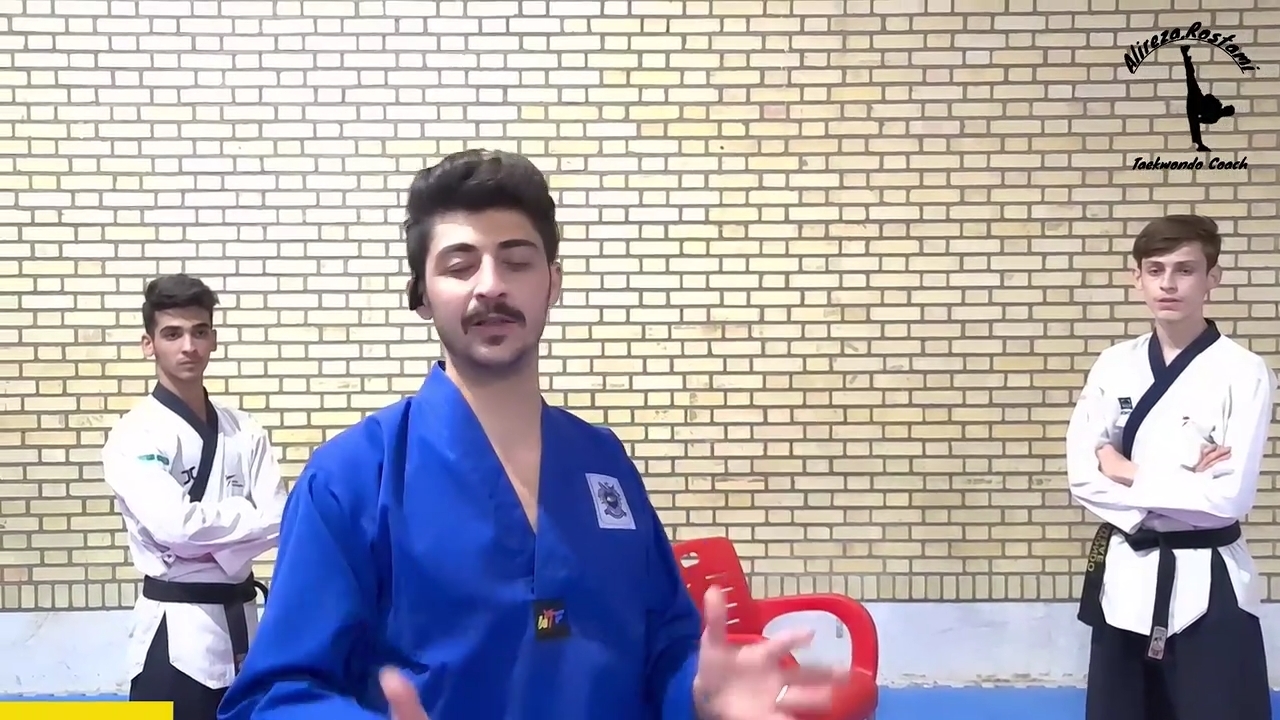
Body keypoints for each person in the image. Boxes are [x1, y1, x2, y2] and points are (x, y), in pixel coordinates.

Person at [218, 150, 844, 720]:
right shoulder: (353, 477)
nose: (491, 284)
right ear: (422, 296)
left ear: (553, 283)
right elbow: (276, 695)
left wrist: (701, 695)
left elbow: (667, 648)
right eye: (459, 265)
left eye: (517, 261)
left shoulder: (602, 464)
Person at [1067, 214, 1276, 720]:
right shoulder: (1114, 363)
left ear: (1212, 278)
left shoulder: (1243, 371)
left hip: (1211, 581)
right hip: (1127, 572)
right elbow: (1083, 476)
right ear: (1136, 277)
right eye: (1155, 269)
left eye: (1185, 269)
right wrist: (1186, 485)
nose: (1168, 283)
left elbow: (1228, 499)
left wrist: (1129, 472)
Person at [103, 274, 289, 720]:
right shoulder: (135, 434)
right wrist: (239, 525)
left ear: (213, 340)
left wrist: (203, 538)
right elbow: (175, 528)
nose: (189, 346)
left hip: (244, 627)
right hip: (173, 636)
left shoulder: (245, 430)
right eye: (172, 334)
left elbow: (280, 517)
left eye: (199, 332)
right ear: (149, 345)